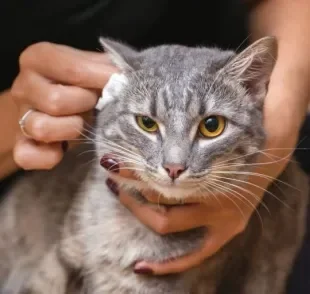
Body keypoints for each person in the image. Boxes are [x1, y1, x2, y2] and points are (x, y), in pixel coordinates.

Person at [0, 0, 309, 292]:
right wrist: (19, 118)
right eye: (150, 124)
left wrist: (275, 134)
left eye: (210, 127)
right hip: (40, 157)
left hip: (258, 106)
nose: (174, 164)